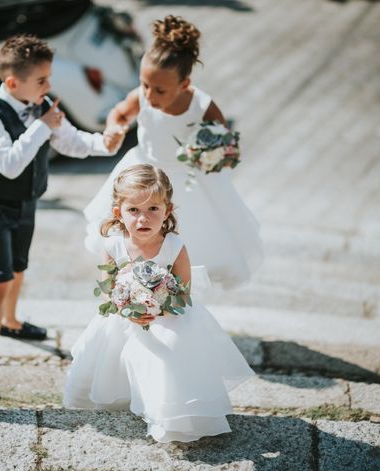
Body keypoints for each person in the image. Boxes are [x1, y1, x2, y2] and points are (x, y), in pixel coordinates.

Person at [64, 164, 254, 442]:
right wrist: (127, 309)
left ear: (168, 210)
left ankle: (167, 412)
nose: (144, 218)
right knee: (114, 352)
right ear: (119, 212)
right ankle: (123, 398)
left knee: (168, 352)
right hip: (124, 316)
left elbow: (184, 293)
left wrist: (156, 309)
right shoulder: (114, 246)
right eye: (134, 211)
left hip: (168, 314)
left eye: (153, 209)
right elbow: (107, 291)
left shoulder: (174, 246)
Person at [0, 34, 123, 366]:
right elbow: (10, 165)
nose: (48, 84)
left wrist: (103, 144)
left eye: (48, 77)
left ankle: (11, 322)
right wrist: (41, 127)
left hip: (26, 201)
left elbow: (69, 140)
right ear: (13, 82)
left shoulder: (41, 104)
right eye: (42, 79)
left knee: (18, 268)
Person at [84, 15, 263, 288]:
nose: (149, 95)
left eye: (159, 90)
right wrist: (114, 128)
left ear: (184, 84)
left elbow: (225, 142)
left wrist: (214, 153)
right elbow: (120, 112)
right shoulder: (143, 96)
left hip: (187, 181)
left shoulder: (201, 105)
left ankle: (178, 288)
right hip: (145, 173)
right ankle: (138, 283)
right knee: (138, 229)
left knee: (192, 237)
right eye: (144, 85)